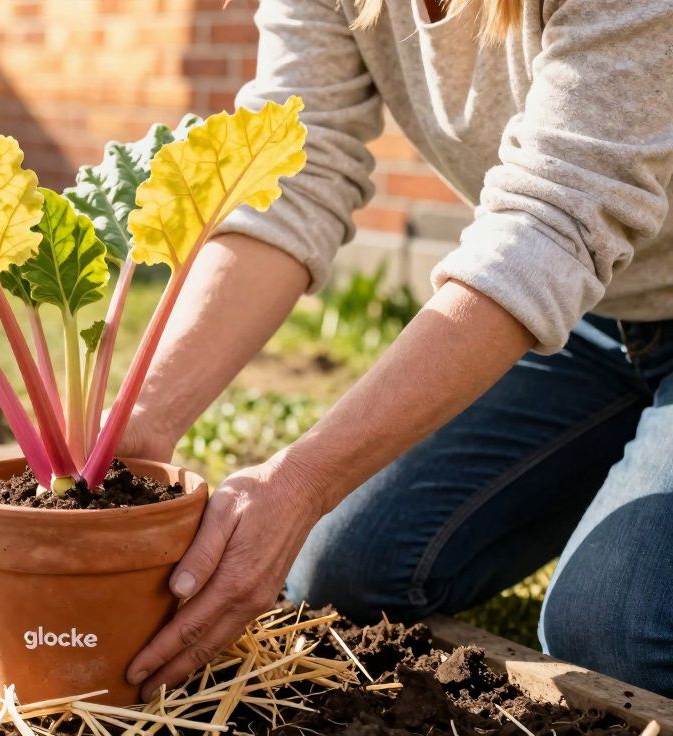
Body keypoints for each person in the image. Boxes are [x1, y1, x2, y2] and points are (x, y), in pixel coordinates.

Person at [118, 0, 673, 700]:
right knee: (344, 566)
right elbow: (294, 171)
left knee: (617, 630)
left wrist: (301, 482)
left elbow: (555, 220)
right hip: (590, 314)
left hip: (568, 267)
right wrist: (143, 422)